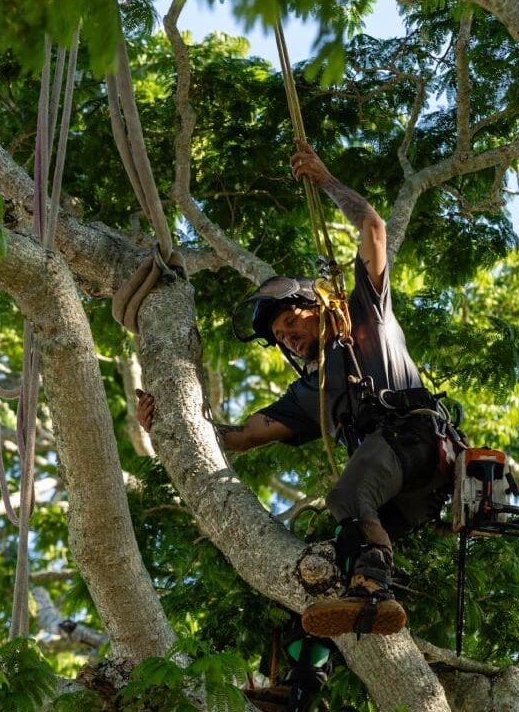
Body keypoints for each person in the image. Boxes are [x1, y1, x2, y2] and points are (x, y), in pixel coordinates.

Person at [136, 140, 450, 637]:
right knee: (323, 561)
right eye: (279, 336)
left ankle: (375, 595)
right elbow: (237, 437)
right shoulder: (310, 393)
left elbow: (374, 227)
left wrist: (326, 181)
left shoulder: (362, 315)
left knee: (345, 496)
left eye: (289, 321)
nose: (287, 336)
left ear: (315, 305)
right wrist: (165, 422)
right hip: (396, 489)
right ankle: (299, 678)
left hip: (415, 443)